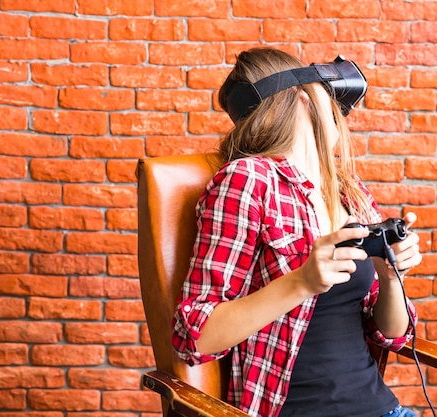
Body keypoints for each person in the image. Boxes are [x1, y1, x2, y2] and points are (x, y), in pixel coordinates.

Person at [172, 47, 422, 417]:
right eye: (328, 94)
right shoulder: (249, 180)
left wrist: (391, 277)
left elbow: (392, 334)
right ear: (304, 96)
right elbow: (194, 336)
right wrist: (302, 281)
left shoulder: (348, 189)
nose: (338, 109)